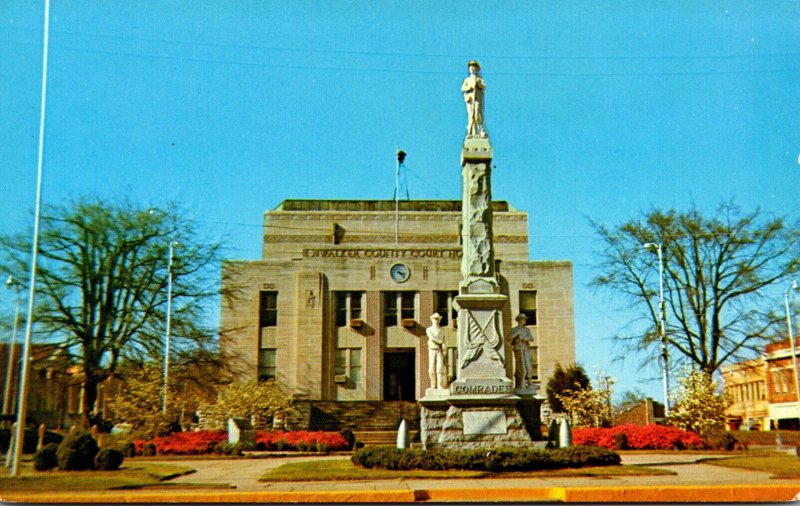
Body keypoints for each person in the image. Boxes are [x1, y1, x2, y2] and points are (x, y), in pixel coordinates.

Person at [461, 60, 487, 138]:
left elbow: (483, 86)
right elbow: (463, 88)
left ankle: (481, 130)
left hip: (477, 99)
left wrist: (478, 84)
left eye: (474, 67)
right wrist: (470, 87)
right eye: (470, 67)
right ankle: (471, 131)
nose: (472, 68)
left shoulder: (479, 78)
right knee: (471, 115)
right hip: (470, 99)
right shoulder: (467, 80)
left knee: (478, 113)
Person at [510, 313, 534, 388]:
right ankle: (521, 382)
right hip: (518, 348)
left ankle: (529, 381)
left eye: (525, 319)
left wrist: (524, 338)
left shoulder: (527, 330)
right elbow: (508, 338)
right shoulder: (514, 329)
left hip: (525, 348)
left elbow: (531, 338)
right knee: (521, 366)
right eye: (523, 319)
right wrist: (517, 334)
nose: (524, 321)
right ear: (519, 320)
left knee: (528, 365)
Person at [426, 313, 448, 389]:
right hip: (432, 349)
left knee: (440, 367)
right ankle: (433, 385)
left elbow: (444, 339)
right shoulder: (429, 329)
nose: (436, 320)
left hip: (439, 350)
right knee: (432, 368)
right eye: (434, 318)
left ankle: (440, 385)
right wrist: (441, 342)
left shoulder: (442, 329)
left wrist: (444, 347)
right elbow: (432, 338)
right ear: (431, 319)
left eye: (437, 318)